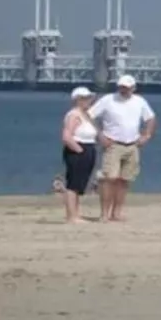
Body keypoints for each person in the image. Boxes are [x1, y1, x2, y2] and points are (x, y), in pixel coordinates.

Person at [90, 74, 156, 222]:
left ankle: (117, 212)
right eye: (121, 87)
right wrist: (100, 135)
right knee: (109, 178)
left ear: (133, 88)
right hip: (113, 144)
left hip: (132, 145)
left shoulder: (139, 101)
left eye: (126, 88)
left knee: (125, 180)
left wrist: (146, 135)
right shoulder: (108, 100)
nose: (123, 90)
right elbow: (89, 116)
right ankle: (104, 214)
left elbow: (150, 118)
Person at [59, 87, 99, 223]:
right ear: (78, 100)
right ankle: (71, 216)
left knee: (80, 184)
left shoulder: (85, 114)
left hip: (88, 147)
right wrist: (79, 151)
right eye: (85, 99)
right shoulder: (74, 115)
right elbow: (66, 136)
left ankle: (76, 214)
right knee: (73, 184)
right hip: (78, 149)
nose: (89, 101)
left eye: (89, 98)